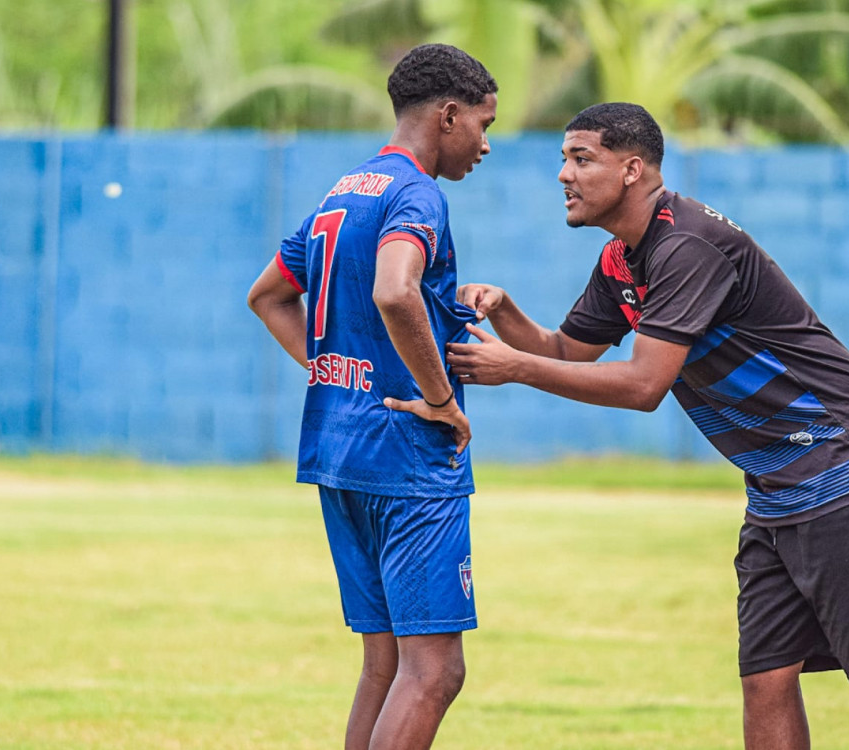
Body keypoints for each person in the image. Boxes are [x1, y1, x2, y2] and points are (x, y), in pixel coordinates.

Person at [440, 102, 849, 749]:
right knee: (766, 676)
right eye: (564, 159)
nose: (564, 174)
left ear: (632, 169)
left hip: (845, 455)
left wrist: (515, 369)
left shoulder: (685, 247)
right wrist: (507, 311)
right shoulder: (623, 261)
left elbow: (644, 385)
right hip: (778, 481)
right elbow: (566, 350)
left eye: (581, 159)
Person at [246, 43, 497, 750]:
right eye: (483, 124)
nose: (485, 144)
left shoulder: (345, 189)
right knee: (435, 670)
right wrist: (441, 399)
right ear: (448, 116)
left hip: (341, 449)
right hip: (406, 455)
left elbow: (268, 296)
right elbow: (394, 288)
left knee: (386, 666)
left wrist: (332, 367)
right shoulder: (418, 193)